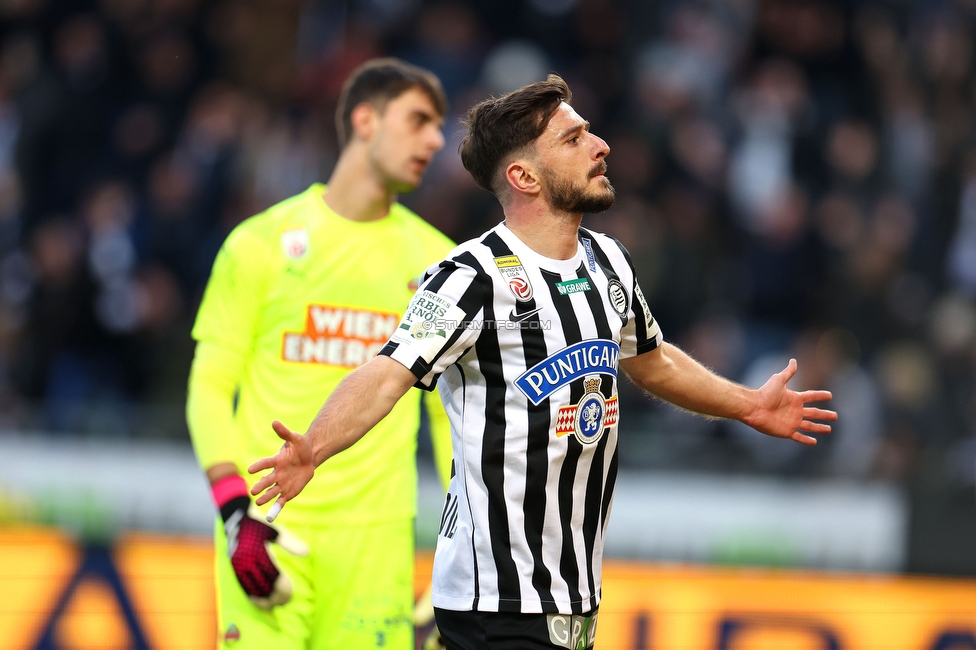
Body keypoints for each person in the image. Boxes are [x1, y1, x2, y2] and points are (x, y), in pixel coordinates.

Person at [247, 74, 838, 650]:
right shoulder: (469, 277)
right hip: (495, 597)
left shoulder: (610, 262)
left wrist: (749, 405)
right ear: (523, 175)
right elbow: (389, 372)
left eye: (589, 132)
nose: (600, 145)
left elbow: (653, 363)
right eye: (574, 139)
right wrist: (314, 446)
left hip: (574, 590)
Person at [185, 58, 456, 650]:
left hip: (377, 547)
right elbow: (209, 387)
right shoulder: (261, 244)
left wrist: (456, 566)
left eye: (438, 126)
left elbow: (451, 420)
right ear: (365, 119)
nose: (436, 140)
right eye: (419, 121)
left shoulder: (439, 267)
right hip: (268, 533)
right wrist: (235, 515)